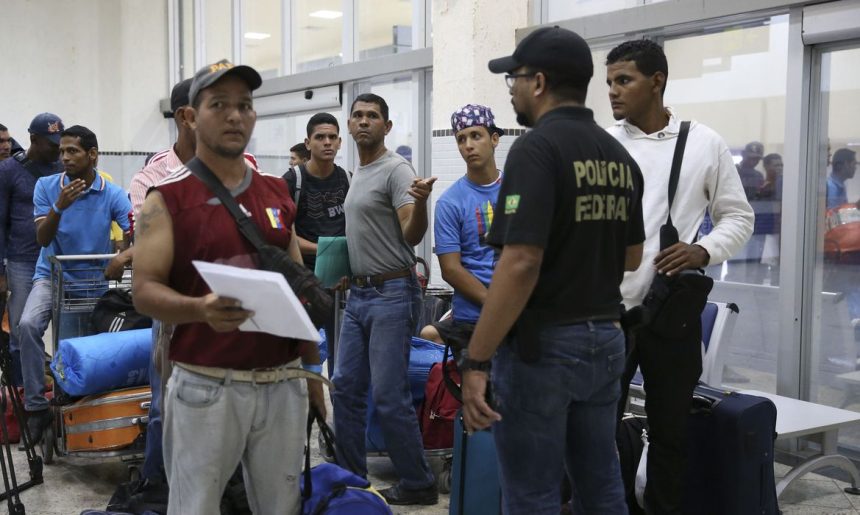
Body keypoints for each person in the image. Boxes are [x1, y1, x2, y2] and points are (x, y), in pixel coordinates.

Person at [461, 26, 646, 514]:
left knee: (531, 494)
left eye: (514, 79)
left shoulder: (535, 149)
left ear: (538, 82)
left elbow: (520, 262)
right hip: (606, 340)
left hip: (543, 348)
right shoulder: (619, 156)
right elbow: (631, 256)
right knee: (601, 486)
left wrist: (477, 360)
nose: (513, 90)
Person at [132, 59, 325, 515]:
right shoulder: (167, 199)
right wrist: (200, 309)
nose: (235, 115)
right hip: (206, 384)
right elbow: (144, 291)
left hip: (283, 382)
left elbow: (297, 289)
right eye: (219, 105)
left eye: (245, 105)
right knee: (195, 506)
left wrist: (313, 371)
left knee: (282, 505)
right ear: (191, 117)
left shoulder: (277, 192)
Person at [605, 39, 753, 513]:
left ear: (657, 82)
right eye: (609, 82)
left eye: (623, 80)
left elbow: (738, 217)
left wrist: (702, 249)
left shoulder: (703, 143)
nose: (613, 92)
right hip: (610, 313)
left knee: (670, 430)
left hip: (672, 314)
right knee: (596, 429)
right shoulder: (604, 144)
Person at [332, 92, 438, 506]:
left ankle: (418, 482)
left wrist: (423, 204)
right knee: (344, 387)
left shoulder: (396, 169)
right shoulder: (358, 171)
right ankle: (350, 477)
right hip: (359, 294)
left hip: (393, 293)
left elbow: (411, 234)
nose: (363, 122)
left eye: (372, 116)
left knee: (389, 395)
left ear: (386, 126)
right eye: (357, 116)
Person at [19, 125, 132, 446]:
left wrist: (123, 255)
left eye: (73, 151)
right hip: (51, 275)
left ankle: (80, 409)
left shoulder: (112, 193)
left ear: (92, 155)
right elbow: (42, 238)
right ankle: (37, 407)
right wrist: (59, 207)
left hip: (92, 282)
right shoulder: (46, 186)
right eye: (62, 151)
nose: (65, 157)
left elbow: (131, 230)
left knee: (78, 347)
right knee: (27, 325)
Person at [428, 104, 504, 347]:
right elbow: (451, 269)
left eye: (476, 136)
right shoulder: (450, 202)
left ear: (494, 139)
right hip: (473, 320)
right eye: (461, 139)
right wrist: (496, 304)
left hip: (521, 313)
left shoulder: (519, 190)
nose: (468, 145)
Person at [0, 113, 64, 388]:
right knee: (21, 332)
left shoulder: (63, 167)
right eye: (51, 144)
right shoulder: (8, 171)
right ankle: (24, 396)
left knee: (65, 331)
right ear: (33, 139)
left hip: (59, 260)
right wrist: (1, 272)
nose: (57, 150)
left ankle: (62, 391)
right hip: (21, 261)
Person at [283, 113, 350, 272]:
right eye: (320, 137)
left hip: (341, 273)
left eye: (332, 137)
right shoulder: (291, 181)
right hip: (303, 273)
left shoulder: (349, 179)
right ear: (307, 143)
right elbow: (282, 235)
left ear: (339, 143)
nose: (327, 143)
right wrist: (324, 249)